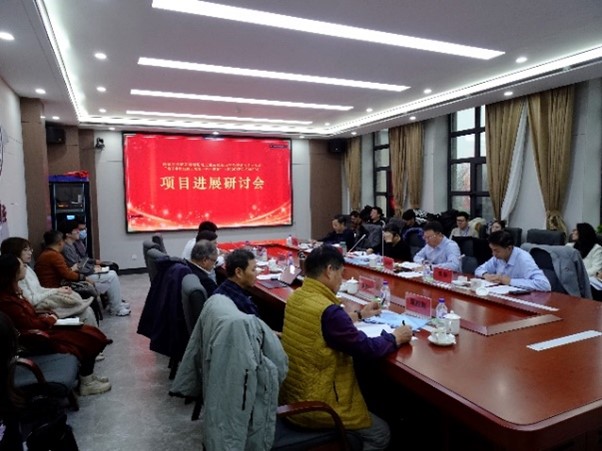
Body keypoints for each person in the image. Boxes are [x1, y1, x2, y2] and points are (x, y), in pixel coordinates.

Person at [280, 245, 411, 450]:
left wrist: (360, 315)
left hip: (293, 395)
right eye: (341, 273)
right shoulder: (329, 311)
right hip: (317, 406)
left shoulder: (298, 296)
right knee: (381, 433)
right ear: (329, 270)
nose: (342, 280)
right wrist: (395, 337)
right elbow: (367, 348)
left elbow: (326, 326)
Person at [0, 254, 112, 395]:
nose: (25, 267)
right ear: (14, 272)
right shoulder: (7, 300)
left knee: (90, 332)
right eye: (21, 266)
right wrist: (50, 319)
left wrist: (47, 317)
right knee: (87, 338)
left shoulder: (15, 292)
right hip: (36, 339)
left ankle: (87, 376)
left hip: (42, 328)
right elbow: (29, 324)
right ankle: (87, 383)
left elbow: (30, 316)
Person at [1, 237, 97, 326]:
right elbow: (32, 302)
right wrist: (56, 291)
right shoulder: (17, 279)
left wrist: (58, 290)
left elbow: (38, 289)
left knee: (84, 306)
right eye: (25, 250)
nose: (30, 253)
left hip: (43, 303)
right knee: (86, 311)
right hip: (41, 309)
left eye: (30, 249)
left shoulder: (27, 268)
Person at [36, 230, 131, 317]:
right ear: (60, 243)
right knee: (111, 276)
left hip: (57, 284)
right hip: (57, 287)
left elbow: (65, 271)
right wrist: (84, 278)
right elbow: (67, 274)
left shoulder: (48, 254)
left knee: (111, 274)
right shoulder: (54, 256)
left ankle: (115, 303)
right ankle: (116, 308)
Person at [475, 230, 551, 291]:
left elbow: (544, 285)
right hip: (503, 295)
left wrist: (510, 281)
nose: (493, 254)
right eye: (492, 250)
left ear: (509, 248)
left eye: (496, 251)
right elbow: (479, 269)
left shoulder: (524, 259)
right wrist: (486, 275)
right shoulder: (498, 257)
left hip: (524, 300)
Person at [212, 248, 259, 316]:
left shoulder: (219, 291)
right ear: (238, 272)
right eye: (253, 269)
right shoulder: (243, 304)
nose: (256, 273)